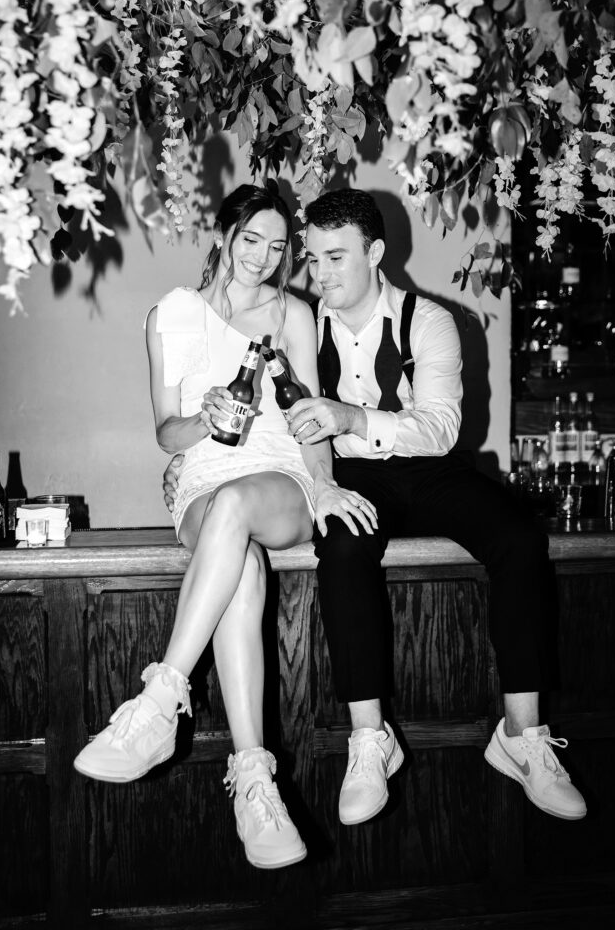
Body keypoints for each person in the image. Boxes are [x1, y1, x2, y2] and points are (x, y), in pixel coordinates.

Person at [164, 188, 586, 829]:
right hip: (353, 474)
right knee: (341, 542)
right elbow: (266, 421)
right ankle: (369, 739)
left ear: (376, 253)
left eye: (336, 258)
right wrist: (186, 458)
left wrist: (351, 416)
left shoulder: (430, 320)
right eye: (312, 259)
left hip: (433, 470)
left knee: (520, 538)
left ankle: (522, 736)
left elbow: (441, 427)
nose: (320, 273)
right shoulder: (299, 325)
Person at [73, 184, 378, 870]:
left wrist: (324, 484)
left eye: (277, 247)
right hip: (201, 485)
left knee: (238, 509)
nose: (264, 259)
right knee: (233, 557)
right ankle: (253, 782)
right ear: (224, 234)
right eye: (252, 241)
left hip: (278, 479)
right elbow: (165, 432)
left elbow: (307, 416)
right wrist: (203, 419)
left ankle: (160, 700)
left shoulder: (293, 313)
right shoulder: (172, 316)